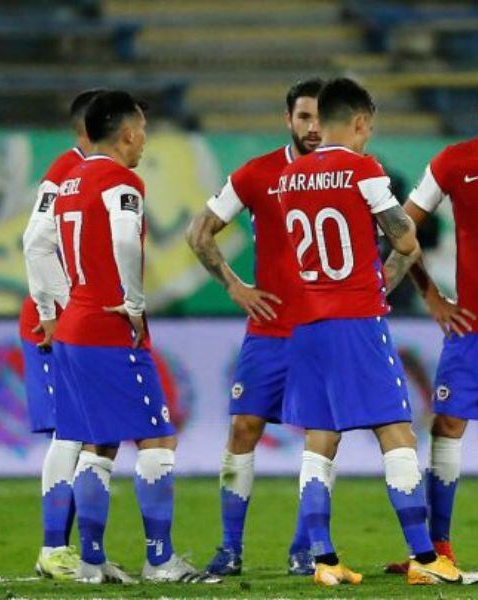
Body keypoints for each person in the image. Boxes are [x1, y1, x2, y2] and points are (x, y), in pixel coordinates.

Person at [278, 77, 478, 586]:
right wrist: (389, 257)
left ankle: (323, 561)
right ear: (362, 122)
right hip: (355, 320)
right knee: (396, 429)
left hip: (306, 324)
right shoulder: (363, 168)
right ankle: (426, 559)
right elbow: (404, 233)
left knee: (320, 440)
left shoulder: (291, 177)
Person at [49, 90, 217, 584]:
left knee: (98, 444)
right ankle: (160, 559)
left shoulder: (70, 181)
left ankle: (91, 560)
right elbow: (124, 237)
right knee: (157, 437)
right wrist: (135, 302)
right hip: (109, 327)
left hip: (75, 324)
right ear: (126, 133)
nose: (145, 140)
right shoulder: (122, 180)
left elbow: (39, 243)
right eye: (142, 130)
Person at [384, 63, 478, 571]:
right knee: (446, 426)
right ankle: (439, 548)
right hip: (469, 326)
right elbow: (400, 229)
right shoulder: (454, 162)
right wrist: (431, 296)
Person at [186, 78, 324, 577]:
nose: (313, 127)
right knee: (244, 429)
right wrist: (233, 285)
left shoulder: (351, 175)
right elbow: (198, 231)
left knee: (320, 438)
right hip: (269, 332)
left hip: (326, 331)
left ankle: (305, 547)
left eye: (320, 118)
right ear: (287, 120)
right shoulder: (258, 174)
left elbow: (397, 242)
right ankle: (229, 549)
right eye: (304, 117)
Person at [22, 88, 100, 580]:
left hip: (79, 320)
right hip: (58, 322)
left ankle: (69, 549)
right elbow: (34, 242)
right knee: (73, 432)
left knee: (89, 434)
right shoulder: (65, 171)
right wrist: (57, 312)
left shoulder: (94, 173)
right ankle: (54, 548)